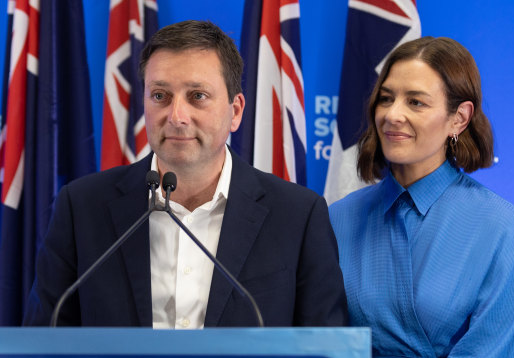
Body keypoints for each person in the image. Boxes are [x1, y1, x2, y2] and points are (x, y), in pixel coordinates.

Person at [23, 20, 348, 328]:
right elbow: (43, 347)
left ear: (235, 112)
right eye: (160, 96)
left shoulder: (297, 216)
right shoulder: (81, 208)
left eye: (197, 96)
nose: (177, 116)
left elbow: (325, 355)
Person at [328, 37, 514, 358]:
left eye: (416, 102)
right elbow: (318, 349)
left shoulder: (496, 222)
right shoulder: (338, 218)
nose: (393, 115)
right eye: (386, 98)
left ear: (459, 118)